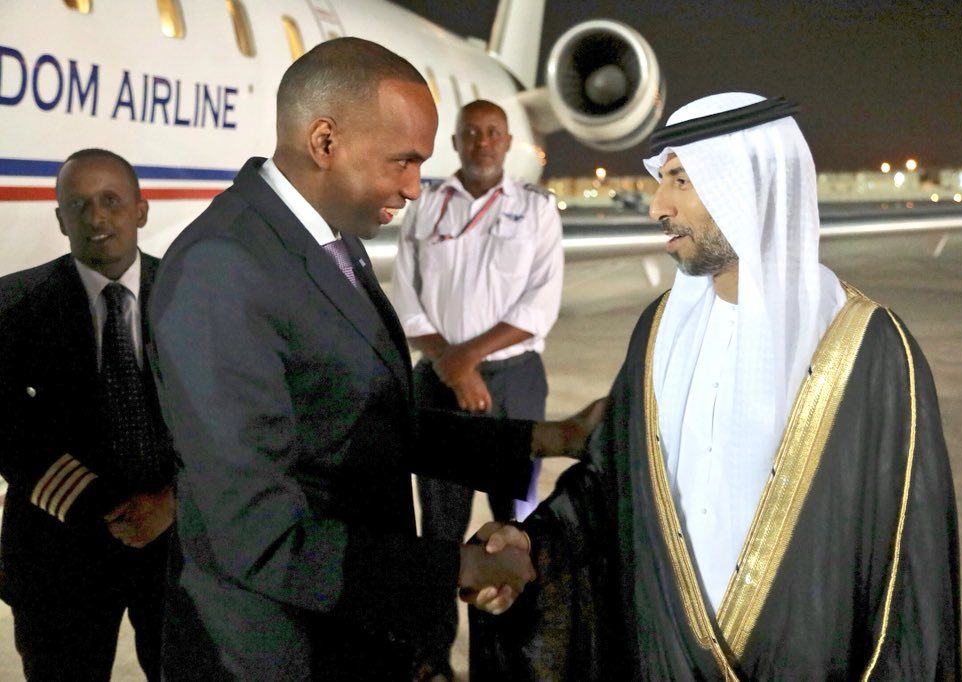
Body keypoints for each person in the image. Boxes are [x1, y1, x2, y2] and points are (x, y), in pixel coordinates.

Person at [471, 93, 962, 680]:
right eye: (660, 181)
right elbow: (608, 488)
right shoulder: (658, 331)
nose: (657, 205)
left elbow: (911, 578)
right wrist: (535, 544)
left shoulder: (871, 349)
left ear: (749, 186)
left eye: (680, 179)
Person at [149, 37, 577, 681]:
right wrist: (459, 568)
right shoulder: (222, 270)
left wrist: (548, 437)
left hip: (350, 628)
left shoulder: (328, 241)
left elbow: (370, 418)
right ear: (325, 141)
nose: (413, 187)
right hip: (280, 651)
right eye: (402, 161)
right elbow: (257, 535)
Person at [390, 99, 564, 679]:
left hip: (511, 384)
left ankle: (516, 658)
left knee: (516, 530)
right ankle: (431, 657)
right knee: (439, 534)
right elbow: (407, 293)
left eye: (494, 133)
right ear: (457, 142)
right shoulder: (426, 205)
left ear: (508, 140)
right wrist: (451, 366)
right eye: (472, 134)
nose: (483, 142)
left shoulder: (535, 209)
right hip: (440, 384)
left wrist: (468, 359)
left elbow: (539, 303)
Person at [0, 149, 177, 681]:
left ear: (141, 211)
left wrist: (173, 502)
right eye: (77, 205)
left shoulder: (196, 297)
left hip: (179, 545)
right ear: (59, 219)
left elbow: (231, 419)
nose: (96, 218)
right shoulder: (14, 305)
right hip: (60, 551)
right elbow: (5, 426)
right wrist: (106, 506)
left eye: (111, 201)